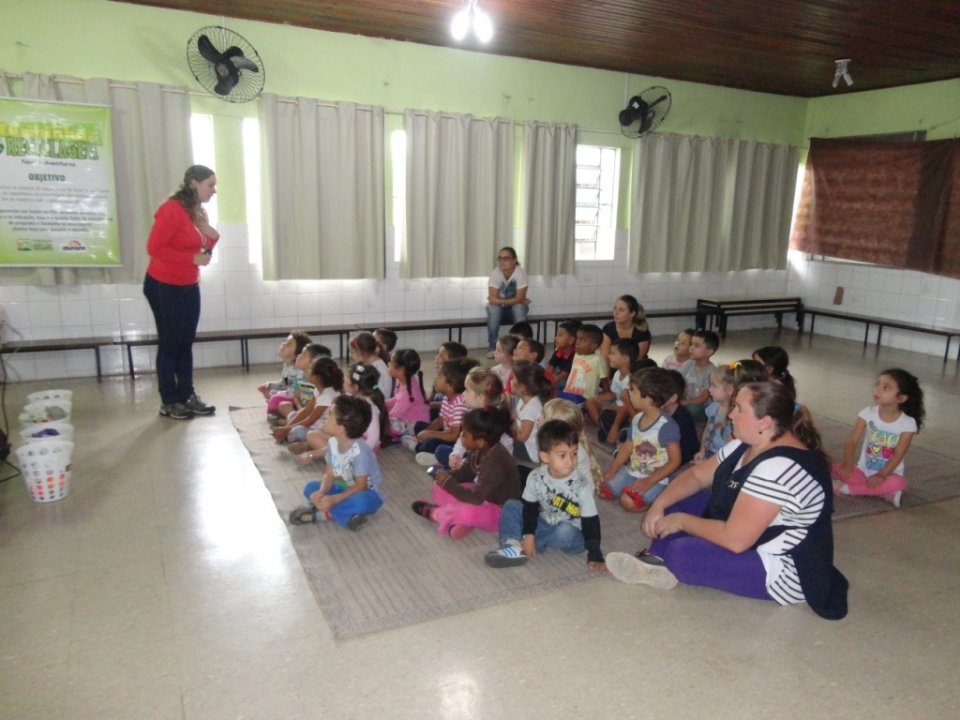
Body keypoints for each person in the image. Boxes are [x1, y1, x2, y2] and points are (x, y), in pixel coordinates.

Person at [606, 381, 849, 621]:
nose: (731, 414)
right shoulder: (747, 443)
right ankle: (656, 559)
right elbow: (697, 476)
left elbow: (736, 540)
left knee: (682, 554)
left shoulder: (776, 468)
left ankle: (665, 559)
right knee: (677, 497)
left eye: (739, 409)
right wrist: (658, 506)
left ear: (764, 422)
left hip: (781, 569)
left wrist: (681, 522)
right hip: (753, 533)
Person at [143, 165, 220, 420]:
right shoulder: (171, 209)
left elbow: (203, 246)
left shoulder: (196, 211)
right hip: (163, 285)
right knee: (170, 344)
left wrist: (211, 236)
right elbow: (154, 248)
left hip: (188, 284)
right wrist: (191, 258)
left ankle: (187, 395)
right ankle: (169, 401)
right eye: (210, 184)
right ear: (193, 183)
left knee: (185, 343)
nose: (214, 190)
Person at [484, 419, 606, 570]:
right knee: (511, 505)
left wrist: (595, 553)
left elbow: (591, 521)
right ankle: (512, 545)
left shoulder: (581, 486)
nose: (570, 461)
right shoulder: (535, 477)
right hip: (545, 523)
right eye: (563, 455)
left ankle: (526, 543)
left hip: (574, 534)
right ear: (545, 457)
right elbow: (530, 508)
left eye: (574, 454)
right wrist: (529, 534)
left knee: (564, 532)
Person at [411, 406, 521, 540]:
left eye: (465, 435)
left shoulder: (495, 460)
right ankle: (461, 521)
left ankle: (436, 513)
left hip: (499, 511)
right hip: (481, 497)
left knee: (469, 511)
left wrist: (449, 483)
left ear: (480, 441)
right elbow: (465, 473)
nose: (461, 437)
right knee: (439, 486)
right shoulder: (478, 450)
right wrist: (446, 476)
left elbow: (476, 498)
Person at [287, 395, 383, 532]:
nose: (327, 416)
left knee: (361, 502)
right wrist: (321, 492)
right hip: (340, 487)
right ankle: (343, 515)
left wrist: (335, 499)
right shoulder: (333, 444)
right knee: (310, 488)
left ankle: (324, 514)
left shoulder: (360, 452)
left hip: (365, 492)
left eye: (331, 415)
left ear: (342, 427)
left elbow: (360, 486)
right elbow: (329, 475)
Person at [832, 368, 925, 508]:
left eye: (886, 387)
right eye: (878, 384)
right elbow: (852, 441)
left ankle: (849, 489)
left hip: (888, 473)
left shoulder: (907, 423)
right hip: (862, 471)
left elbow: (899, 454)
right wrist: (848, 464)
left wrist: (882, 475)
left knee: (899, 483)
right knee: (830, 466)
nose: (878, 390)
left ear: (901, 398)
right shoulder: (867, 413)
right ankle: (883, 492)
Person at [599, 368, 682, 512]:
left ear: (648, 397)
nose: (628, 393)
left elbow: (675, 461)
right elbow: (627, 447)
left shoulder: (666, 426)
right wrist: (613, 469)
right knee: (605, 488)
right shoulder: (637, 418)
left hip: (656, 478)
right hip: (634, 470)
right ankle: (633, 488)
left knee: (628, 502)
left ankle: (659, 497)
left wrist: (649, 481)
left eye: (632, 390)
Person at [587, 337, 639, 444]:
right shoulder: (617, 374)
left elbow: (627, 407)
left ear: (625, 359)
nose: (608, 356)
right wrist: (599, 398)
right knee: (590, 401)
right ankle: (602, 425)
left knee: (607, 411)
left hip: (627, 411)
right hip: (617, 406)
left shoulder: (632, 379)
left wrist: (608, 406)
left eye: (612, 353)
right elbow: (614, 394)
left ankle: (611, 428)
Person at [486, 246, 530, 358]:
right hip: (499, 310)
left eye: (506, 258)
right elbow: (492, 299)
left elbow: (519, 298)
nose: (502, 261)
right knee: (494, 309)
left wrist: (499, 300)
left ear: (514, 260)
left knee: (519, 308)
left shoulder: (520, 273)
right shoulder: (495, 273)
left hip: (514, 310)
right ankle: (493, 347)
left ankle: (522, 347)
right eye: (500, 258)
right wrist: (516, 300)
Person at [510, 360, 553, 464]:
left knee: (499, 443)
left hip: (531, 452)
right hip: (525, 443)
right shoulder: (523, 399)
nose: (510, 381)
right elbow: (513, 417)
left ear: (523, 387)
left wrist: (509, 432)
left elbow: (522, 438)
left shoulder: (531, 408)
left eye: (513, 378)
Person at [385, 349, 430, 443]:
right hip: (408, 417)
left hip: (415, 424)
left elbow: (393, 414)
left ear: (401, 370)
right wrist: (383, 404)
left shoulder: (407, 392)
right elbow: (397, 399)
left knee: (386, 421)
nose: (388, 364)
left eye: (391, 363)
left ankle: (404, 437)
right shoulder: (404, 380)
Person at [557, 324, 606, 404]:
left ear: (593, 346)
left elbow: (604, 380)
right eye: (577, 339)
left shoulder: (597, 360)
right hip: (568, 393)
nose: (577, 343)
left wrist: (604, 393)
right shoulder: (576, 355)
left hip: (583, 397)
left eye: (582, 340)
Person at [679, 329, 719, 425]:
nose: (691, 348)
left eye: (696, 345)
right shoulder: (689, 364)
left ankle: (700, 424)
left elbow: (703, 398)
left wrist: (683, 402)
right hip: (687, 401)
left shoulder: (711, 371)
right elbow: (679, 381)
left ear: (709, 352)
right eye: (691, 344)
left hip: (702, 407)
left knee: (693, 409)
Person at [599, 294, 651, 362]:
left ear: (632, 314)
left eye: (621, 310)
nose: (616, 313)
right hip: (613, 365)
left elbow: (637, 359)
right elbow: (605, 358)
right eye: (615, 308)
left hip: (636, 367)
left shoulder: (642, 332)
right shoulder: (608, 329)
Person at [546, 320, 580, 391]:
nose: (555, 338)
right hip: (558, 377)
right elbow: (549, 368)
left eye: (560, 335)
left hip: (569, 381)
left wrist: (549, 381)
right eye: (556, 335)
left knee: (561, 383)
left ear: (571, 340)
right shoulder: (558, 352)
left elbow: (563, 376)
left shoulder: (575, 356)